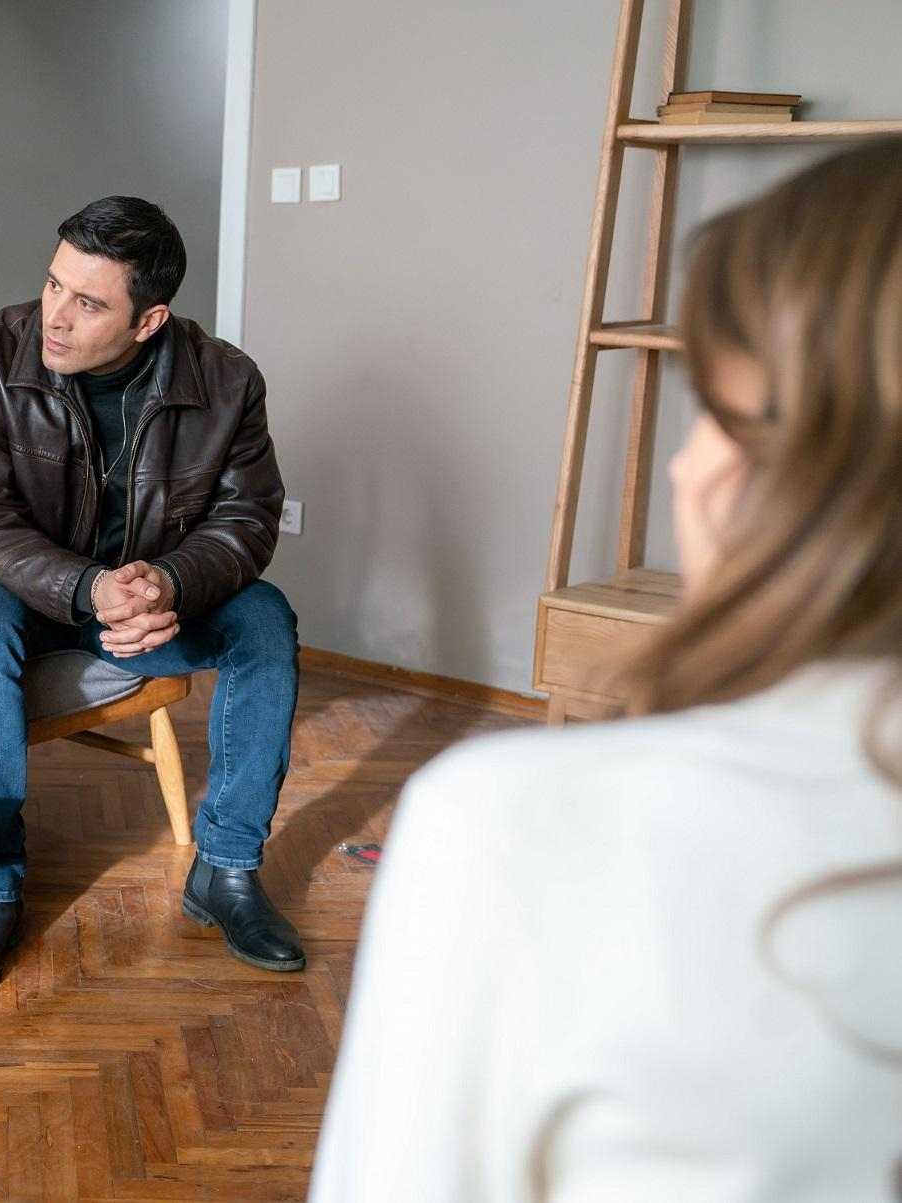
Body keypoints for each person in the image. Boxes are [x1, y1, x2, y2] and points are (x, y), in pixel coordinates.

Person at [309, 142, 902, 1200]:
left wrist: (164, 579)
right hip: (59, 596)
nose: (682, 461)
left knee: (261, 618)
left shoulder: (505, 825)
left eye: (710, 410)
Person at [0, 195, 305, 998]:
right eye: (52, 284)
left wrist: (169, 581)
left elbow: (245, 518)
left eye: (88, 303)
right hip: (25, 597)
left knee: (264, 618)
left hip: (147, 608)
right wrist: (86, 586)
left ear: (148, 320)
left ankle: (226, 870)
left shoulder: (226, 380)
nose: (55, 316)